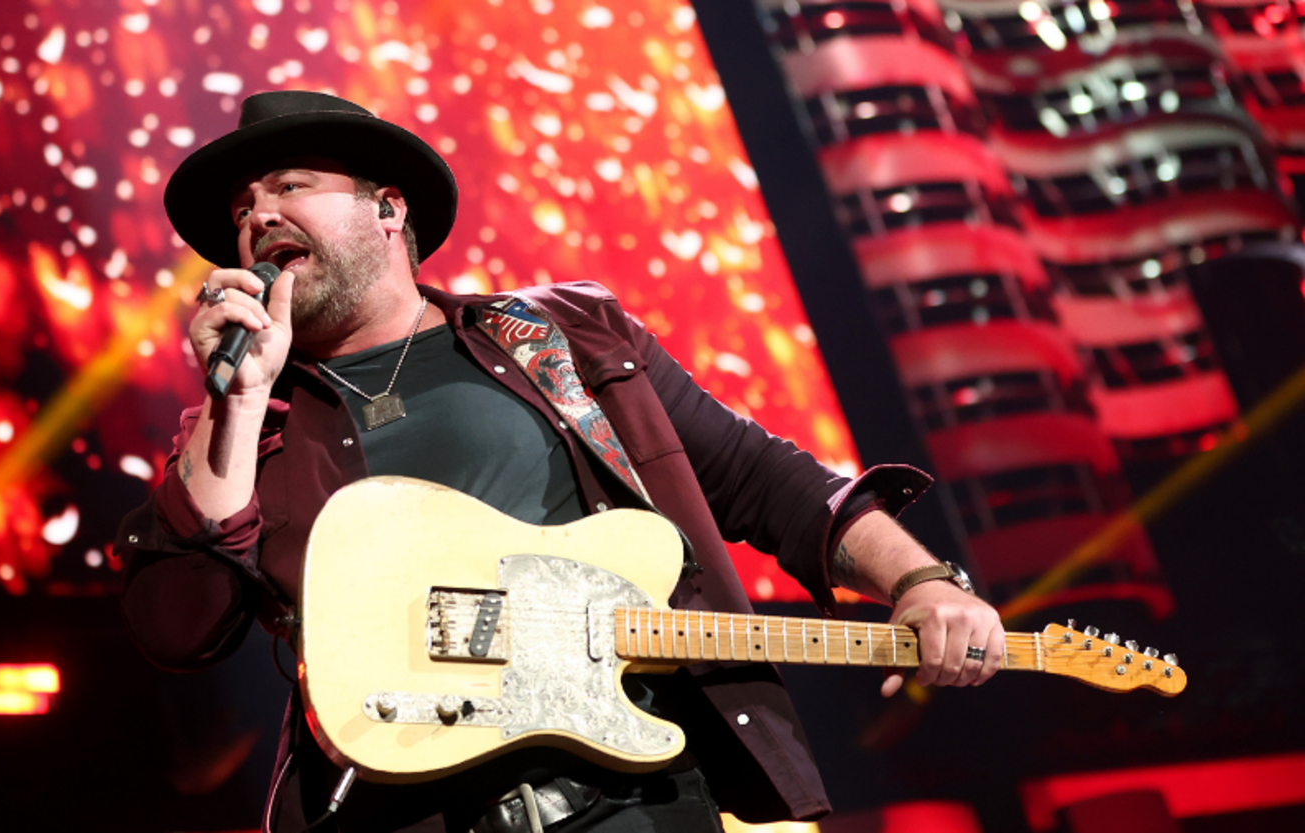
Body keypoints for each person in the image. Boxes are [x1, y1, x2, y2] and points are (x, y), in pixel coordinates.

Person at [116, 91, 1005, 833]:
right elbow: (177, 630)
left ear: (388, 208)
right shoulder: (239, 426)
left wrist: (921, 579)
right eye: (241, 210)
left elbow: (759, 476)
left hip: (638, 802)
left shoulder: (563, 337)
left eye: (289, 187)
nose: (257, 216)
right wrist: (232, 407)